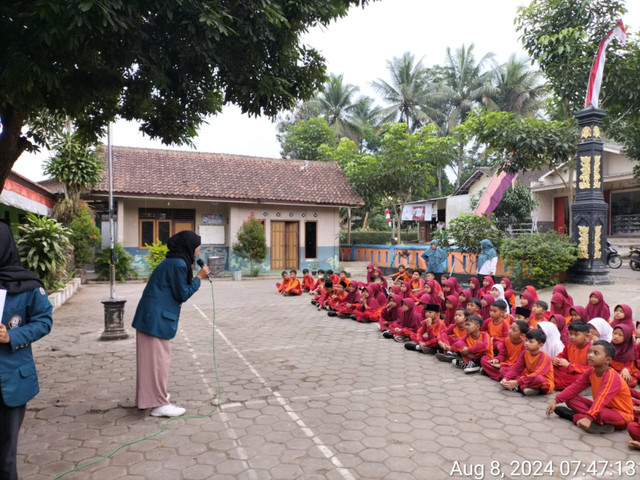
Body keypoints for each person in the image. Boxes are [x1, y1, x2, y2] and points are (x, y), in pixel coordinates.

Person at [132, 231, 210, 417]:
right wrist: (199, 277)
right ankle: (159, 404)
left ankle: (152, 397)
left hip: (152, 318)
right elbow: (182, 294)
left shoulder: (173, 261)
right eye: (198, 246)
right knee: (158, 362)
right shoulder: (178, 264)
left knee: (153, 362)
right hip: (155, 320)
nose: (199, 250)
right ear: (189, 245)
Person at [0, 223, 53, 479]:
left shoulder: (27, 285)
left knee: (5, 456)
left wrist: (11, 335)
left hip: (9, 381)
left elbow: (44, 321)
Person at [547, 340, 634, 434]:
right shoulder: (591, 372)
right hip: (602, 407)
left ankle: (577, 417)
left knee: (601, 413)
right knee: (571, 399)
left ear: (608, 360)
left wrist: (589, 418)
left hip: (621, 415)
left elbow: (602, 398)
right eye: (590, 352)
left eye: (596, 353)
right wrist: (556, 400)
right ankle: (592, 421)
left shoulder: (612, 377)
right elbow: (575, 387)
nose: (590, 355)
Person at [500, 328, 554, 396]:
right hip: (529, 378)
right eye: (526, 340)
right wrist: (506, 378)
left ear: (540, 345)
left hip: (543, 382)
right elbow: (517, 368)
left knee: (539, 379)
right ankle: (526, 388)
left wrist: (517, 382)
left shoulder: (544, 357)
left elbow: (536, 374)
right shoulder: (524, 353)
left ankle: (519, 387)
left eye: (531, 342)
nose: (527, 343)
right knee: (504, 370)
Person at [552, 320, 592, 390]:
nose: (572, 337)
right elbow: (562, 355)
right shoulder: (570, 344)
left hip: (582, 375)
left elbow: (591, 369)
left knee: (580, 378)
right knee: (550, 362)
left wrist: (569, 366)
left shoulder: (592, 348)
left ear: (587, 336)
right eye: (570, 334)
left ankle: (550, 384)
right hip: (569, 371)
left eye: (576, 335)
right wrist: (557, 359)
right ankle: (553, 383)